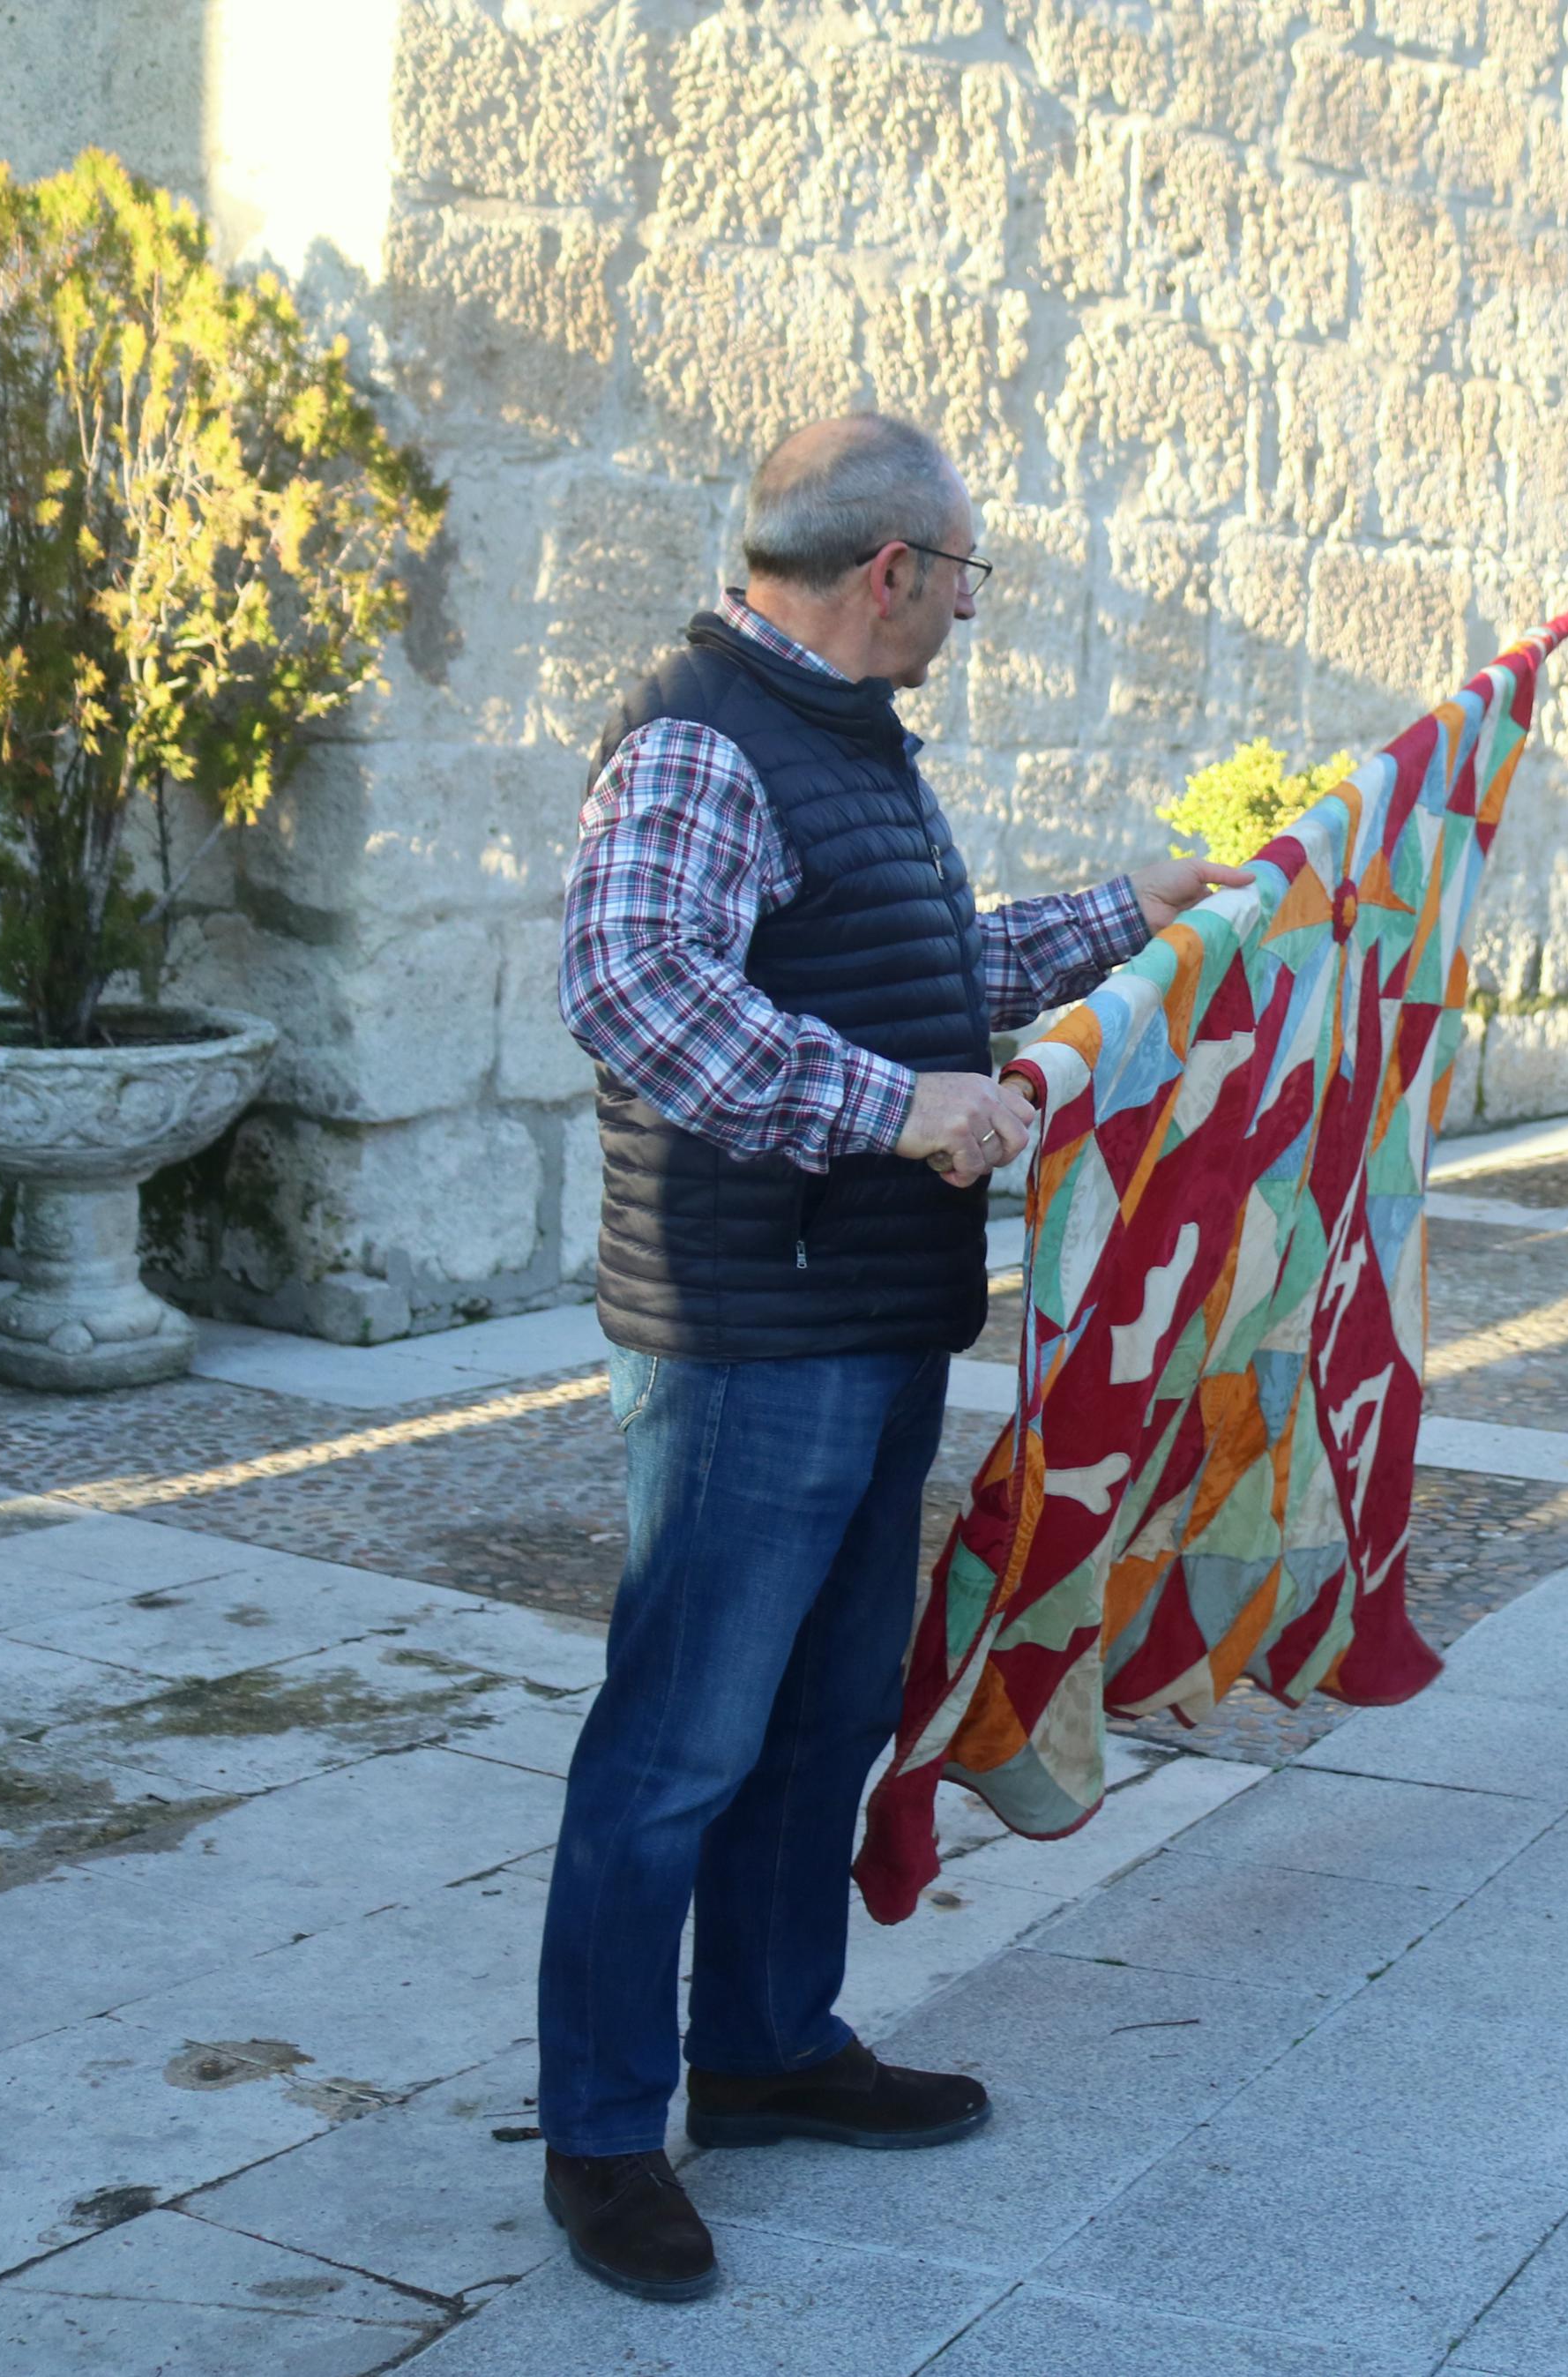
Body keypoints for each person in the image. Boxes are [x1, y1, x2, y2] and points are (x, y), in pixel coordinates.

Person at [536, 413, 1250, 2301]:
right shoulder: (702, 731)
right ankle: (604, 2136)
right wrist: (892, 1111)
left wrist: (1127, 915)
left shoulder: (844, 749)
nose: (959, 608)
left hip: (859, 1319)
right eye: (961, 575)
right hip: (750, 1334)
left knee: (820, 1713)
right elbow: (630, 987)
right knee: (678, 1745)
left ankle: (763, 2049)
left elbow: (921, 984)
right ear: (893, 572)